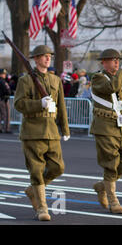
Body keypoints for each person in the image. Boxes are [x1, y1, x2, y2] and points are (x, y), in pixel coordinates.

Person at [13, 45, 70, 221]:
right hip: (33, 131)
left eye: (49, 56)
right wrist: (40, 104)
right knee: (36, 171)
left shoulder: (55, 80)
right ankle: (42, 208)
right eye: (44, 56)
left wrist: (65, 129)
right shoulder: (25, 80)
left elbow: (61, 106)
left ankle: (33, 190)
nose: (47, 59)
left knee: (58, 167)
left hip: (51, 131)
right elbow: (19, 104)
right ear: (36, 59)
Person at [90, 49, 122, 214]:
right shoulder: (97, 78)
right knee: (111, 164)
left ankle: (102, 186)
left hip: (121, 127)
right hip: (104, 126)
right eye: (112, 60)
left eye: (117, 60)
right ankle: (113, 201)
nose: (116, 63)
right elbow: (111, 87)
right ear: (103, 63)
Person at [0, 69, 11, 134]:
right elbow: (7, 90)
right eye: (3, 74)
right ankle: (7, 128)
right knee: (6, 114)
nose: (4, 75)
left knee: (0, 115)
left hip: (1, 98)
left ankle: (0, 128)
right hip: (4, 99)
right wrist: (10, 92)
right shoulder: (3, 81)